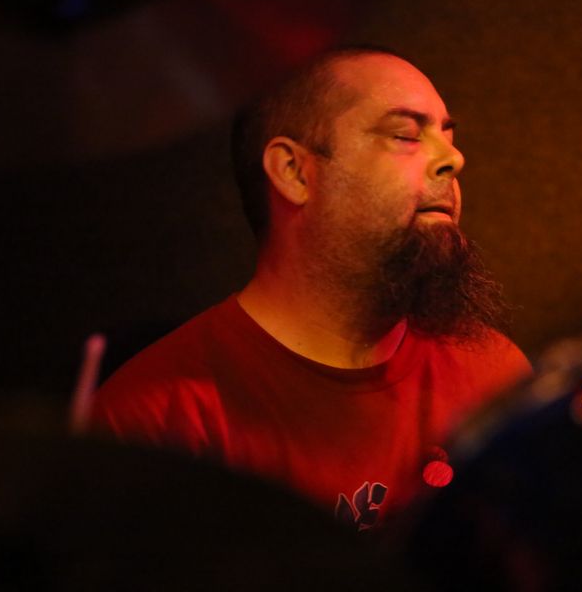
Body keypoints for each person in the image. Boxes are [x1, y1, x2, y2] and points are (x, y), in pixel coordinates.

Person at [90, 46, 531, 529]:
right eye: (405, 135)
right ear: (294, 172)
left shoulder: (492, 375)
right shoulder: (154, 418)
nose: (454, 159)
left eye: (448, 137)